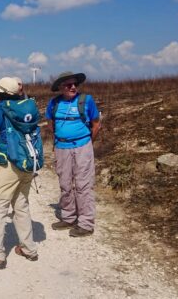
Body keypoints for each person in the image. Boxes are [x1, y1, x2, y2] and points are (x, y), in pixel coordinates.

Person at [0, 77, 39, 269]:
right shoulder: (27, 106)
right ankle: (28, 248)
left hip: (7, 164)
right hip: (27, 161)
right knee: (21, 205)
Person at [46, 71, 101, 237]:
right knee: (65, 183)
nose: (73, 87)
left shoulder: (86, 100)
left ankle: (85, 224)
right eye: (68, 85)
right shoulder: (53, 103)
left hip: (83, 146)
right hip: (61, 147)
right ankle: (68, 217)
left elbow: (96, 124)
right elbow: (50, 123)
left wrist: (87, 142)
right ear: (61, 88)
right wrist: (59, 139)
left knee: (83, 184)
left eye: (75, 84)